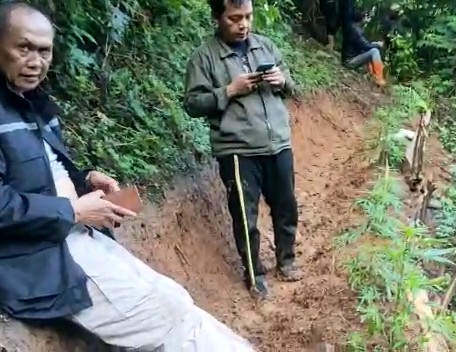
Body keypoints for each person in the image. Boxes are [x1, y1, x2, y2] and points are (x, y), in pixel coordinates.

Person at [0, 2, 253, 351]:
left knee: (175, 299)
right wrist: (72, 211)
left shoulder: (31, 101)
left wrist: (85, 180)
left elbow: (39, 173)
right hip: (38, 260)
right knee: (166, 315)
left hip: (72, 236)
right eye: (23, 47)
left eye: (44, 51)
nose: (36, 61)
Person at [184, 0, 302, 299]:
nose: (243, 25)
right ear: (217, 18)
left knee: (286, 205)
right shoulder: (204, 58)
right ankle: (255, 274)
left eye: (248, 17)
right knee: (245, 216)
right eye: (234, 18)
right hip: (237, 150)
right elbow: (192, 104)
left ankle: (287, 260)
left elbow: (291, 86)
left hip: (278, 142)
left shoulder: (265, 46)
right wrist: (229, 90)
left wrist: (282, 80)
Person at [341, 9, 386, 87]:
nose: (366, 20)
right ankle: (379, 78)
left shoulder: (353, 27)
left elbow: (363, 45)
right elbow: (366, 46)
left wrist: (374, 44)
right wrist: (378, 45)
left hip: (351, 57)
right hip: (349, 61)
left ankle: (373, 75)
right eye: (365, 17)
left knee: (372, 47)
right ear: (361, 19)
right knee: (374, 51)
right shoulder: (355, 31)